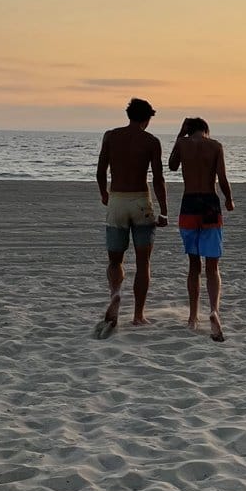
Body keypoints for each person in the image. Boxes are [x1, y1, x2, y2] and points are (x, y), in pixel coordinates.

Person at [94, 98, 168, 337]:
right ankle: (138, 315)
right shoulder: (151, 141)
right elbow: (158, 178)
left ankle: (116, 293)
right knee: (143, 262)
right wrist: (164, 210)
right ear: (147, 118)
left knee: (115, 260)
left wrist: (104, 193)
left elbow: (100, 170)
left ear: (129, 115)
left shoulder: (111, 136)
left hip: (117, 200)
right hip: (141, 202)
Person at [169, 116, 235, 341]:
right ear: (206, 129)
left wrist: (180, 134)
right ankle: (214, 310)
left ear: (189, 130)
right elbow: (222, 178)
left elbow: (172, 165)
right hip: (209, 204)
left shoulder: (182, 143)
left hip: (189, 204)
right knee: (212, 266)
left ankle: (192, 316)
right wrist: (229, 199)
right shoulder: (215, 146)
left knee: (193, 265)